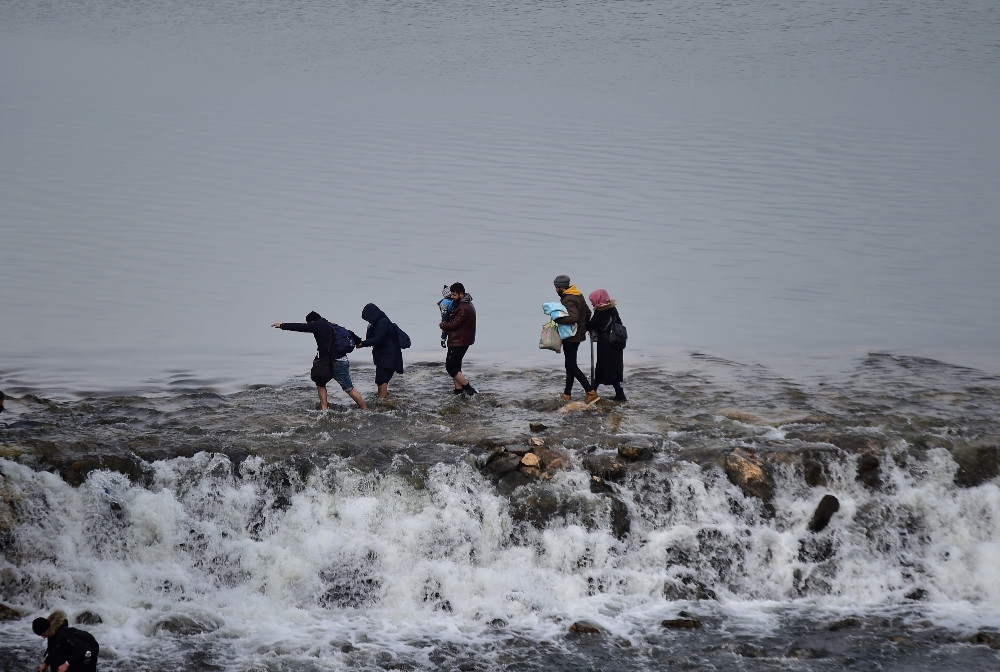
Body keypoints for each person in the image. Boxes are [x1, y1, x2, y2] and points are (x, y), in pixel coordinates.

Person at [271, 311, 367, 410]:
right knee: (324, 383)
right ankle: (326, 408)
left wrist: (282, 325)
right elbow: (358, 342)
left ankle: (363, 408)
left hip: (332, 362)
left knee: (344, 387)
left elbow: (301, 327)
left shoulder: (317, 325)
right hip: (341, 360)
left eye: (310, 324)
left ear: (311, 321)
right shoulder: (334, 326)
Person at [553, 275, 599, 404]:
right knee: (570, 364)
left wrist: (558, 319)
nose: (555, 290)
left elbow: (574, 318)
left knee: (571, 365)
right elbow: (588, 313)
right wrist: (583, 328)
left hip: (571, 336)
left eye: (556, 288)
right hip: (577, 335)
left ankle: (590, 392)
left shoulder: (568, 299)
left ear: (560, 287)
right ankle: (567, 394)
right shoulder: (578, 295)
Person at [587, 288, 626, 401]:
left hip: (606, 345)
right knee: (611, 369)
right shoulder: (613, 309)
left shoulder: (600, 312)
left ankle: (592, 393)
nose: (592, 303)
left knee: (603, 368)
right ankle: (618, 393)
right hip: (616, 344)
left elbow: (590, 325)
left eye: (592, 300)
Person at [357, 303, 404, 399]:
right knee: (379, 379)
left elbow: (378, 338)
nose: (368, 320)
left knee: (382, 379)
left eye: (368, 317)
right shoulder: (374, 324)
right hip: (383, 356)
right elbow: (371, 338)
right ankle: (381, 398)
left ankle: (383, 401)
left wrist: (362, 344)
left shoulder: (383, 322)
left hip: (390, 356)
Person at [439, 282, 477, 396]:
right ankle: (458, 390)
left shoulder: (464, 308)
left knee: (450, 367)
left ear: (461, 294)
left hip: (459, 341)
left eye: (454, 295)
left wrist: (442, 325)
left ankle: (469, 389)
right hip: (460, 340)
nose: (452, 297)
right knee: (456, 366)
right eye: (451, 294)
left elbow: (454, 325)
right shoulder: (462, 304)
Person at [32, 610, 99, 672]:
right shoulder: (51, 633)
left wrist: (66, 664)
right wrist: (45, 664)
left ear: (48, 628)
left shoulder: (63, 633)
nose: (44, 637)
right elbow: (53, 651)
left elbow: (81, 648)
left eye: (44, 634)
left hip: (78, 665)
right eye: (41, 635)